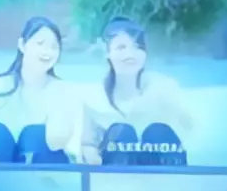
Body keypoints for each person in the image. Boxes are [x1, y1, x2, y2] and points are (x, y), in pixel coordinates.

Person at [79, 17, 196, 167]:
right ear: (107, 52)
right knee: (120, 132)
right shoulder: (95, 97)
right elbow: (88, 143)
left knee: (157, 131)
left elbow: (188, 128)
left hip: (163, 172)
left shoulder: (164, 86)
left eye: (137, 47)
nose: (130, 54)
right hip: (117, 175)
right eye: (121, 47)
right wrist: (91, 156)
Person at [0, 18, 84, 164]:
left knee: (34, 136)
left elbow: (64, 145)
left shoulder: (65, 91)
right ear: (22, 45)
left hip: (46, 171)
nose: (47, 52)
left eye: (54, 47)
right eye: (40, 43)